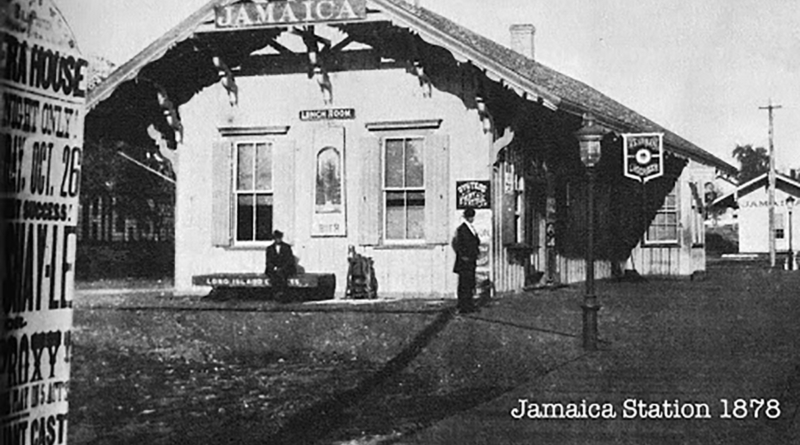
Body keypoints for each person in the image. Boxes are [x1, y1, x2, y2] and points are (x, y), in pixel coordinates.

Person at [452, 208, 480, 314]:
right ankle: (463, 305)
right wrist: (463, 256)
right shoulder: (461, 229)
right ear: (467, 217)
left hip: (471, 260)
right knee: (464, 284)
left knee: (470, 283)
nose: (472, 218)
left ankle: (469, 304)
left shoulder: (471, 228)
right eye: (471, 216)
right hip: (464, 261)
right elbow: (457, 244)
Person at [265, 230, 296, 301]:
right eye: (276, 238)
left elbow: (289, 261)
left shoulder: (287, 247)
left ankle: (282, 294)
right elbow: (268, 261)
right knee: (274, 276)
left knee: (282, 275)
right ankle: (276, 294)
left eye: (279, 238)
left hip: (284, 268)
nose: (278, 239)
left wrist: (282, 268)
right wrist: (274, 268)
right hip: (274, 269)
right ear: (274, 238)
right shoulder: (269, 249)